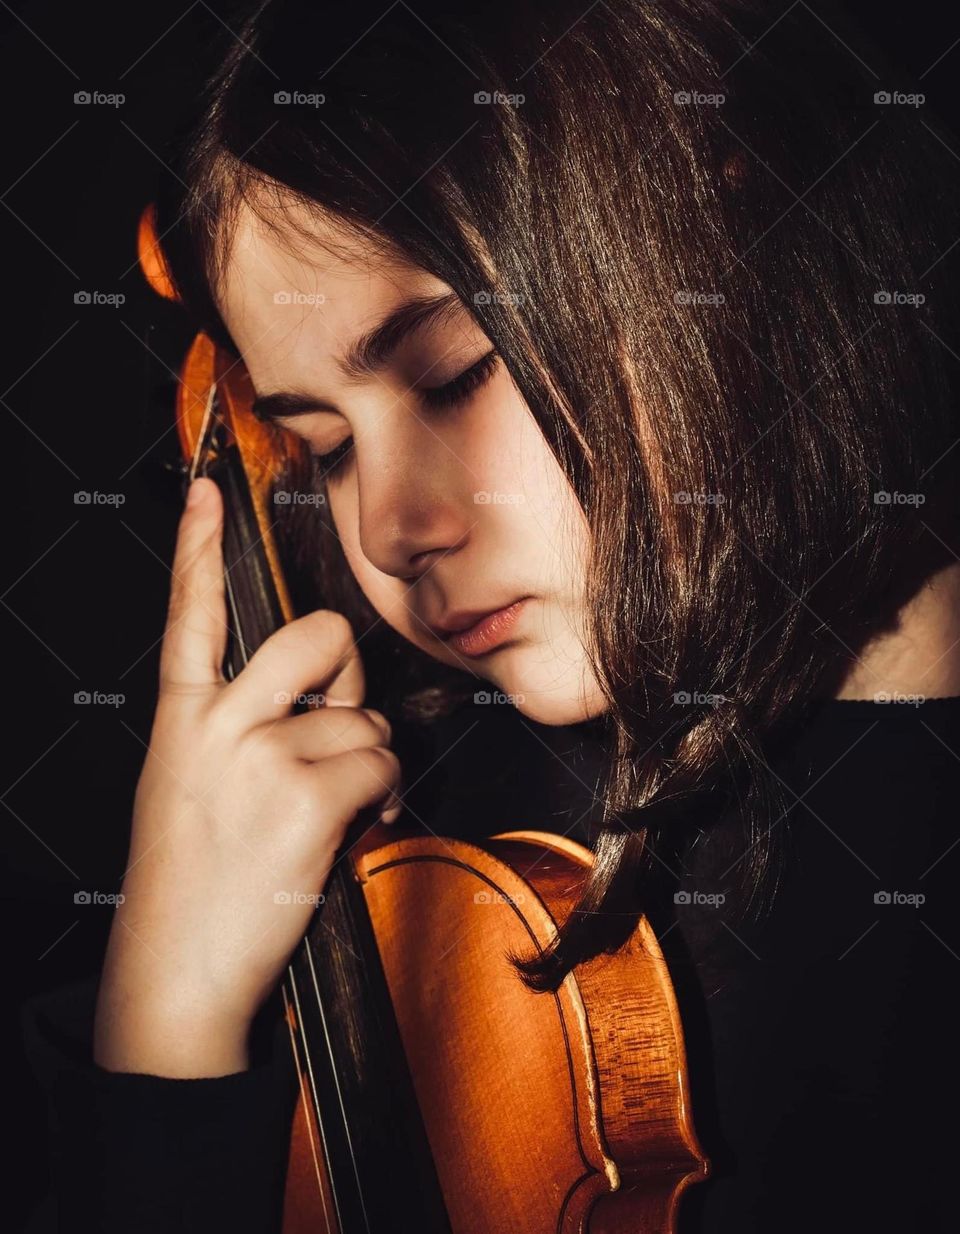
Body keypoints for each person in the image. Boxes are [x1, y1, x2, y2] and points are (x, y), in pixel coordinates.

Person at [22, 0, 960, 1230]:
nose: (388, 530)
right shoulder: (398, 842)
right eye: (326, 447)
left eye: (455, 374)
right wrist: (169, 1013)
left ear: (732, 237)